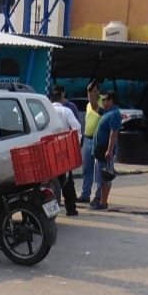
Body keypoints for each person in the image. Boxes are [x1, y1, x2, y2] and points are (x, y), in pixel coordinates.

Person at [48, 84, 81, 216]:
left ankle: (51, 208)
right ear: (62, 96)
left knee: (51, 181)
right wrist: (76, 144)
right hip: (65, 151)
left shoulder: (45, 111)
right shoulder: (67, 111)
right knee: (67, 180)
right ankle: (71, 208)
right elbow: (77, 128)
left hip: (49, 151)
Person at [90, 90, 122, 211]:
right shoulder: (106, 112)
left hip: (105, 150)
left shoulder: (115, 114)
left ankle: (102, 202)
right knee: (101, 175)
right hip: (100, 149)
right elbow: (94, 107)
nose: (103, 101)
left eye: (105, 99)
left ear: (111, 101)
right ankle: (100, 199)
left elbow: (113, 133)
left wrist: (109, 150)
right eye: (102, 99)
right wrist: (90, 93)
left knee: (105, 175)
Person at [77, 80, 102, 204]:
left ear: (99, 91)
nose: (93, 93)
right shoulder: (88, 104)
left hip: (98, 140)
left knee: (98, 169)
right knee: (87, 168)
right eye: (92, 91)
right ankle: (85, 193)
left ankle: (98, 195)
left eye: (95, 91)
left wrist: (90, 93)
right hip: (87, 138)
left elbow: (95, 106)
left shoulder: (101, 101)